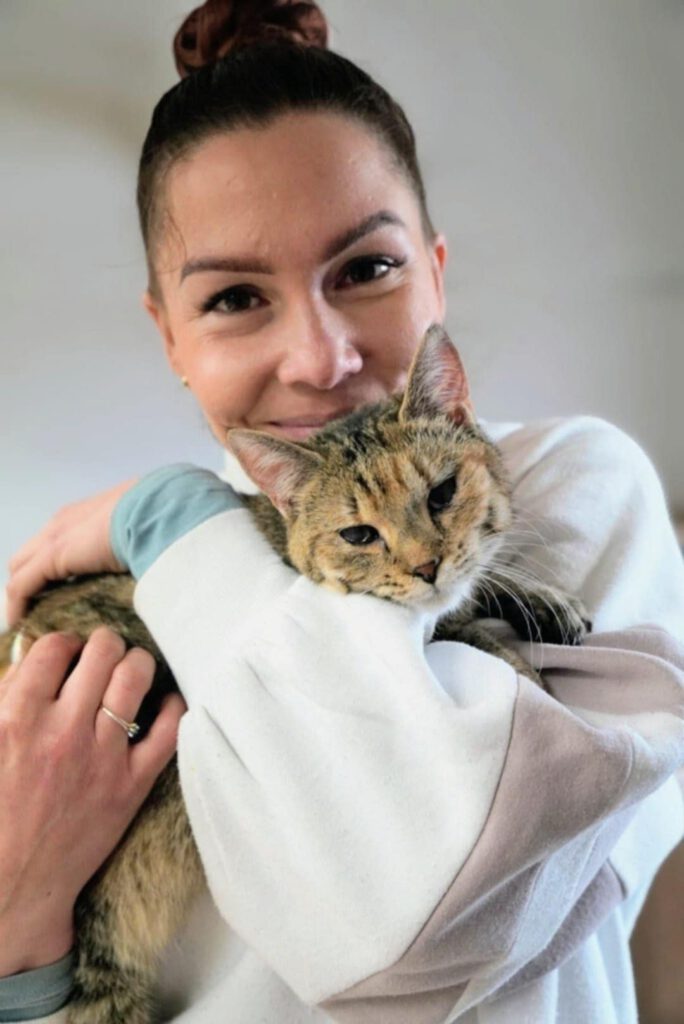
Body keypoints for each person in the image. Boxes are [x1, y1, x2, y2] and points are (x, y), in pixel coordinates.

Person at [2, 2, 684, 1021]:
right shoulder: (132, 592)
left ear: (435, 276)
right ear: (170, 337)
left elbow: (434, 925)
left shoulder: (572, 483)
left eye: (366, 269)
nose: (321, 359)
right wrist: (18, 942)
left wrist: (167, 514)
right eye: (234, 297)